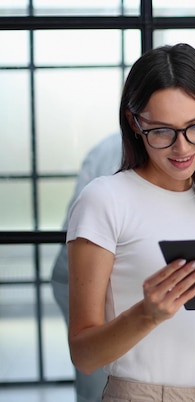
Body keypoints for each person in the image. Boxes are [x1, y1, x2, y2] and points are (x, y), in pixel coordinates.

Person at [66, 43, 195, 402]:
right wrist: (147, 314)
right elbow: (83, 356)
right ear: (133, 122)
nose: (182, 148)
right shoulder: (104, 200)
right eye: (162, 131)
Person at [51, 133, 121, 402]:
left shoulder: (108, 147)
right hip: (83, 271)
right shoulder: (115, 151)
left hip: (94, 270)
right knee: (96, 372)